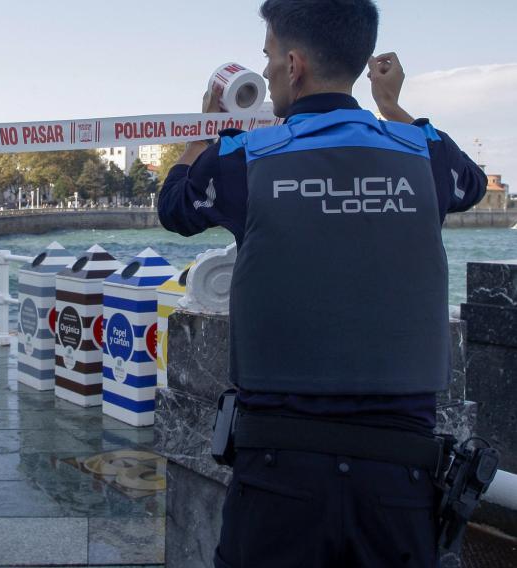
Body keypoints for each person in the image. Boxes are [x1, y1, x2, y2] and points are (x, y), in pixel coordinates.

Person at [157, 1, 487, 566]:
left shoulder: (247, 157)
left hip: (276, 475)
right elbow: (473, 183)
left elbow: (174, 205)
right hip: (401, 482)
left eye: (267, 58)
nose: (263, 75)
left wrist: (206, 126)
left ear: (294, 63)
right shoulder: (423, 155)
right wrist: (391, 105)